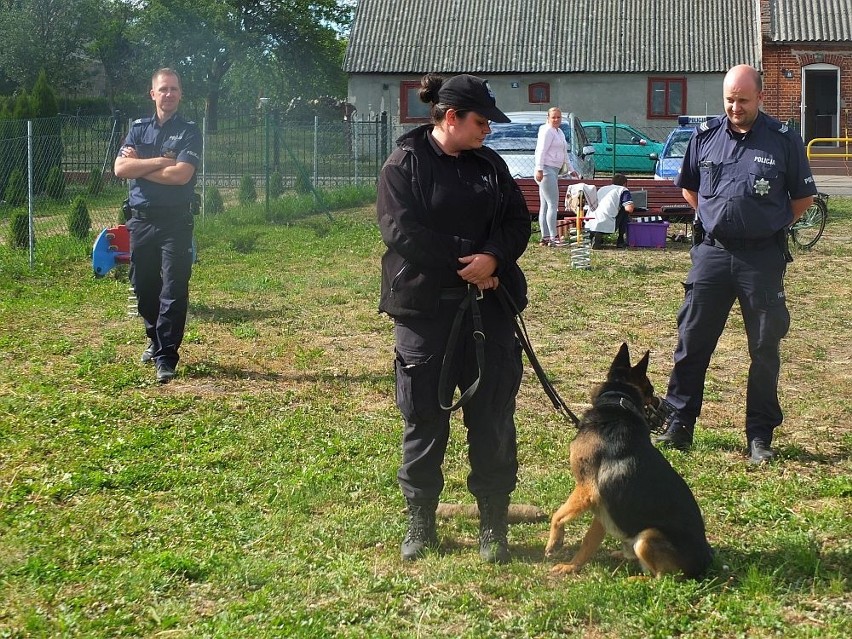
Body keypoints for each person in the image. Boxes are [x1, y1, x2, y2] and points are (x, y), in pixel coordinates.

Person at [376, 73, 531, 564]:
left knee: (492, 417)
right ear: (451, 118)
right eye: (481, 121)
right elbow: (405, 233)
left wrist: (494, 259)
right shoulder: (404, 164)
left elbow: (516, 221)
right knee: (425, 418)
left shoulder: (490, 165)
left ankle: (493, 525)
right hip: (425, 311)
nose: (488, 131)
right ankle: (421, 521)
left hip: (489, 310)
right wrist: (472, 262)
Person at [654, 65, 817, 463]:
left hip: (761, 258)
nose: (735, 107)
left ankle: (759, 435)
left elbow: (802, 199)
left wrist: (764, 227)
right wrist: (717, 219)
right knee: (692, 342)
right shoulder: (705, 137)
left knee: (764, 347)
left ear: (760, 98)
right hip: (712, 254)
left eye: (743, 100)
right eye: (729, 99)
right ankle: (679, 423)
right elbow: (690, 188)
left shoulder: (784, 141)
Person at [114, 68, 202, 384]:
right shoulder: (137, 130)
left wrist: (141, 168)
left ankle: (166, 357)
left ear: (180, 94)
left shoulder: (190, 132)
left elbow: (181, 176)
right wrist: (161, 162)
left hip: (175, 222)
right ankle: (154, 337)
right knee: (143, 288)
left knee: (174, 291)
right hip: (140, 222)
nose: (169, 94)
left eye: (174, 89)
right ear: (153, 94)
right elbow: (120, 168)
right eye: (163, 89)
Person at [534, 107, 568, 246]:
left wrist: (571, 170)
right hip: (546, 170)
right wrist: (539, 169)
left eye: (559, 117)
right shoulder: (547, 131)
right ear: (548, 118)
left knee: (546, 205)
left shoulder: (559, 132)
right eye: (553, 117)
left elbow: (565, 153)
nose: (556, 120)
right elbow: (541, 150)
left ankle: (546, 237)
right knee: (553, 204)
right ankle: (553, 237)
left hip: (554, 169)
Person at [585, 173, 635, 249]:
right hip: (607, 221)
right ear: (625, 183)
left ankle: (594, 235)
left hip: (590, 221)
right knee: (624, 211)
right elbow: (629, 209)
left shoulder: (602, 188)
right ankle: (620, 240)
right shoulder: (623, 190)